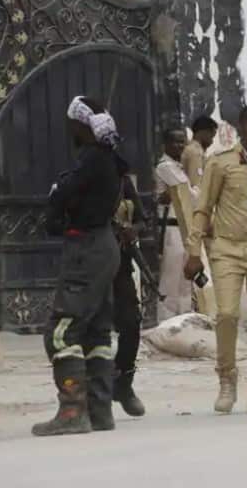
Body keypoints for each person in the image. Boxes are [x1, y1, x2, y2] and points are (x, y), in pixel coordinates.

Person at [32, 97, 127, 437]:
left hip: (87, 248)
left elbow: (63, 198)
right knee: (96, 332)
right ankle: (100, 412)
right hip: (104, 246)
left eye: (71, 122)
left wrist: (57, 192)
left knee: (61, 332)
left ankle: (73, 410)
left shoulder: (91, 161)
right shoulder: (111, 160)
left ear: (80, 125)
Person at [185, 104, 247, 413]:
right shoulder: (221, 163)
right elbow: (203, 208)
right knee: (226, 315)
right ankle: (227, 379)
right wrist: (194, 251)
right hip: (227, 249)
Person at [110, 175, 149, 419]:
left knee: (131, 323)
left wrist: (132, 230)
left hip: (121, 265)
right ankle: (92, 390)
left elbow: (142, 219)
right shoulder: (80, 179)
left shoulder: (122, 181)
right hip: (90, 266)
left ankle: (124, 384)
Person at [156, 127, 198, 319]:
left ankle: (184, 320)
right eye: (176, 141)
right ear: (165, 144)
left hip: (183, 229)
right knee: (171, 280)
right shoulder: (165, 167)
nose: (180, 146)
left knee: (184, 280)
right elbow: (189, 197)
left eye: (183, 142)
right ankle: (167, 322)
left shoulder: (177, 167)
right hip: (172, 229)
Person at [184, 115, 218, 187]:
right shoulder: (195, 152)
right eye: (211, 136)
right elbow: (195, 184)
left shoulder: (193, 149)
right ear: (204, 132)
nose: (212, 141)